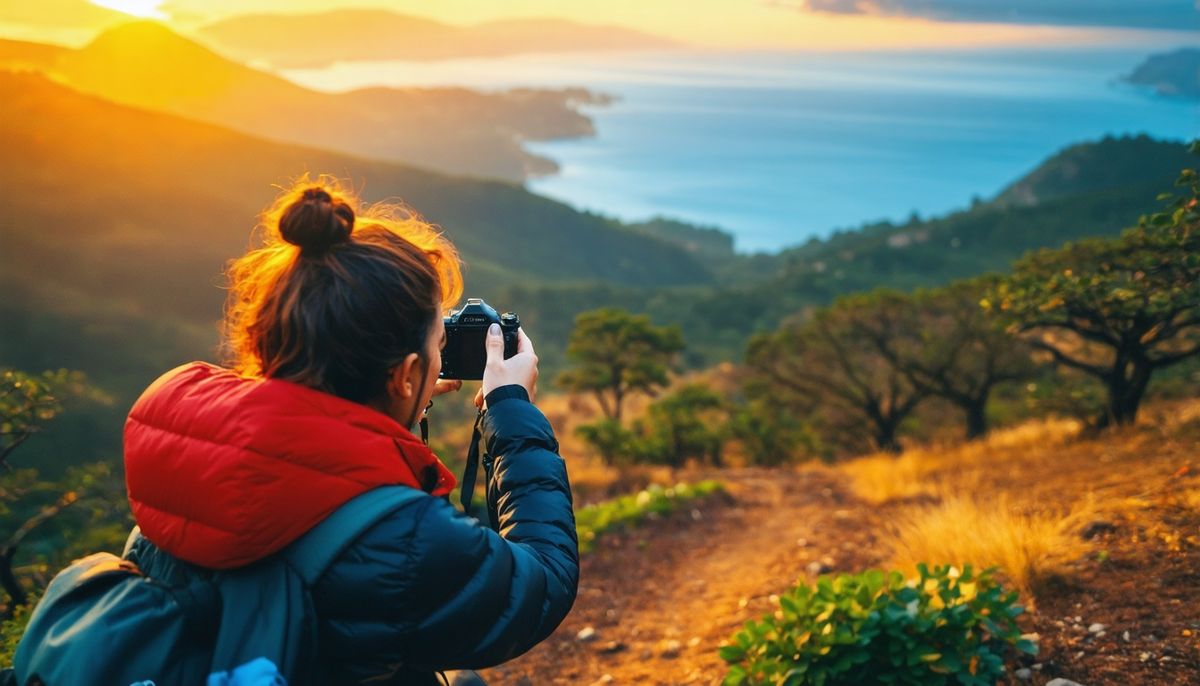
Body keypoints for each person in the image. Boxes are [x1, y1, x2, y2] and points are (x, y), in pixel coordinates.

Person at [120, 178, 578, 685]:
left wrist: (397, 410)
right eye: (438, 342)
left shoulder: (193, 465)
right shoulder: (399, 542)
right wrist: (510, 411)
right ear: (404, 373)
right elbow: (541, 584)